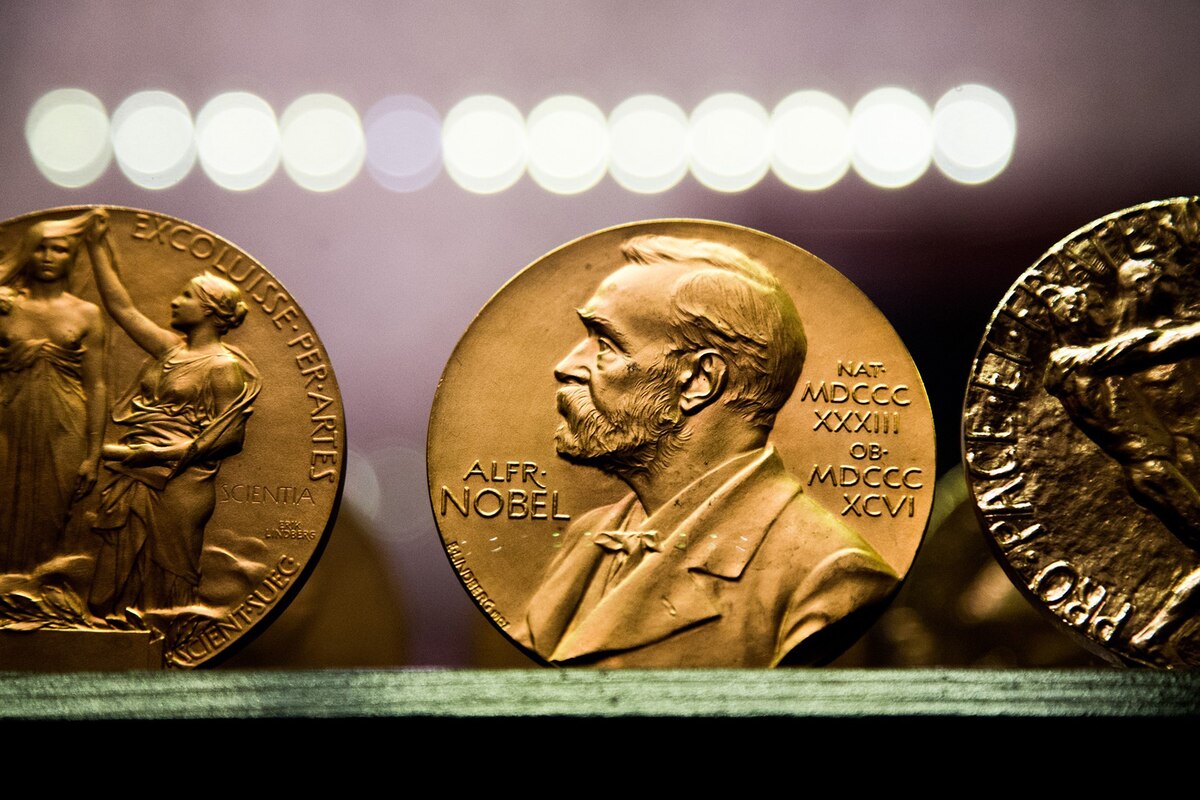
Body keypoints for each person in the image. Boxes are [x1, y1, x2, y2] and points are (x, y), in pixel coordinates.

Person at [511, 235, 899, 667]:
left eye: (605, 345)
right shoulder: (589, 537)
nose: (565, 365)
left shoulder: (830, 576)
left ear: (699, 380)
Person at [83, 213, 260, 619]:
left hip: (182, 485)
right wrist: (96, 248)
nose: (174, 301)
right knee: (116, 561)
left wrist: (155, 455)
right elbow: (121, 308)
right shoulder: (170, 350)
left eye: (185, 296)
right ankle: (112, 634)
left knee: (170, 572)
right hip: (136, 473)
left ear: (210, 310)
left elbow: (230, 439)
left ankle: (163, 650)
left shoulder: (222, 367)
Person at [0, 211, 107, 572]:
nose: (48, 257)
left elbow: (97, 384)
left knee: (51, 512)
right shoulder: (6, 308)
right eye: (40, 248)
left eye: (59, 249)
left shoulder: (87, 314)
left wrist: (94, 455)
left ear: (72, 256)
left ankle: (34, 595)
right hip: (8, 420)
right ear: (27, 253)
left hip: (66, 424)